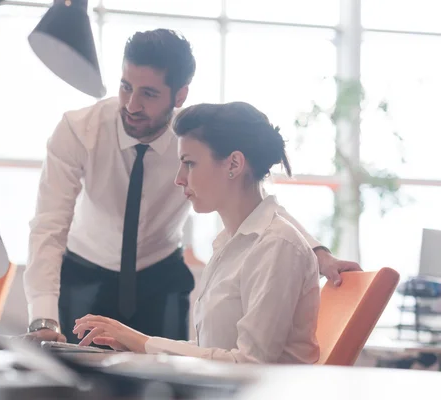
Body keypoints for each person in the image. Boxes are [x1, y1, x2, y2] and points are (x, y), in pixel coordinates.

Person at [24, 29, 360, 344]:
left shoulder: (196, 140)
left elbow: (254, 198)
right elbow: (48, 225)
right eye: (126, 87)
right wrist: (43, 318)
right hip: (84, 270)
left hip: (161, 275)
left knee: (168, 379)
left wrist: (318, 253)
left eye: (149, 94)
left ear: (180, 94)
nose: (131, 104)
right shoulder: (77, 130)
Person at [73, 102, 320, 364]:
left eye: (189, 163)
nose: (179, 178)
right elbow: (214, 349)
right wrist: (137, 347)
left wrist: (142, 343)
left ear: (234, 164)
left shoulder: (276, 245)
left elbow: (250, 363)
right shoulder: (231, 244)